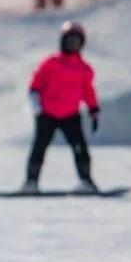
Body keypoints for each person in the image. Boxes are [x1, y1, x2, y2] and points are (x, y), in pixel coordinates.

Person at [22, 21, 101, 193]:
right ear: (62, 41)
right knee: (39, 147)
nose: (72, 44)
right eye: (69, 40)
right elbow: (36, 84)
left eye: (76, 41)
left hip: (71, 115)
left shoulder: (84, 69)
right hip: (47, 113)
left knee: (80, 147)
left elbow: (88, 91)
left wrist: (94, 110)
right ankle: (31, 182)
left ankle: (86, 181)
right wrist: (35, 102)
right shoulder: (51, 63)